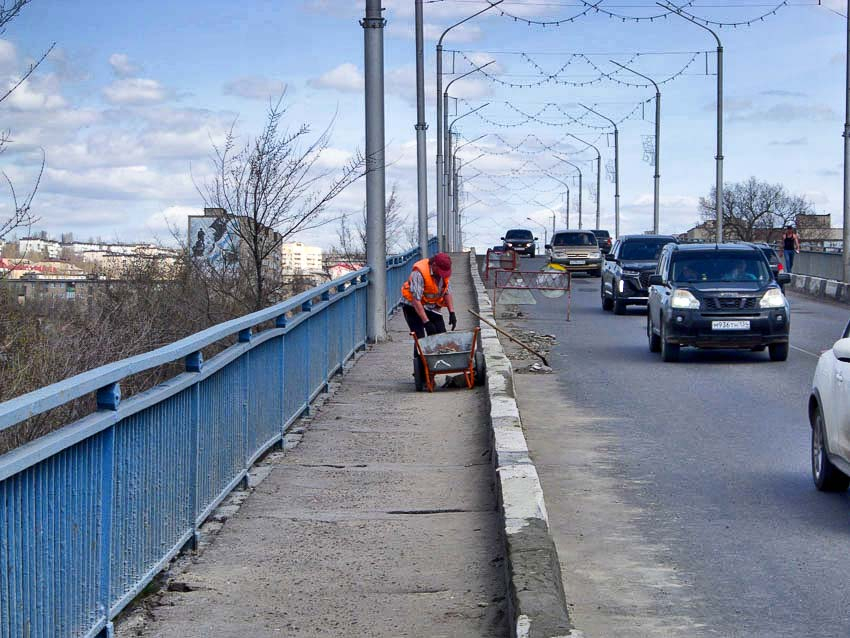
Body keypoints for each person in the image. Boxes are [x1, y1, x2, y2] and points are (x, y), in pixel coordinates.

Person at [401, 253, 457, 342]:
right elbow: (416, 300)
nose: (442, 275)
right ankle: (419, 356)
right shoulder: (419, 274)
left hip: (430, 305)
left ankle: (439, 355)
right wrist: (426, 322)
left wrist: (452, 313)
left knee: (440, 334)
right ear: (434, 265)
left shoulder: (443, 274)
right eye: (441, 272)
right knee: (420, 338)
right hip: (412, 306)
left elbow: (447, 292)